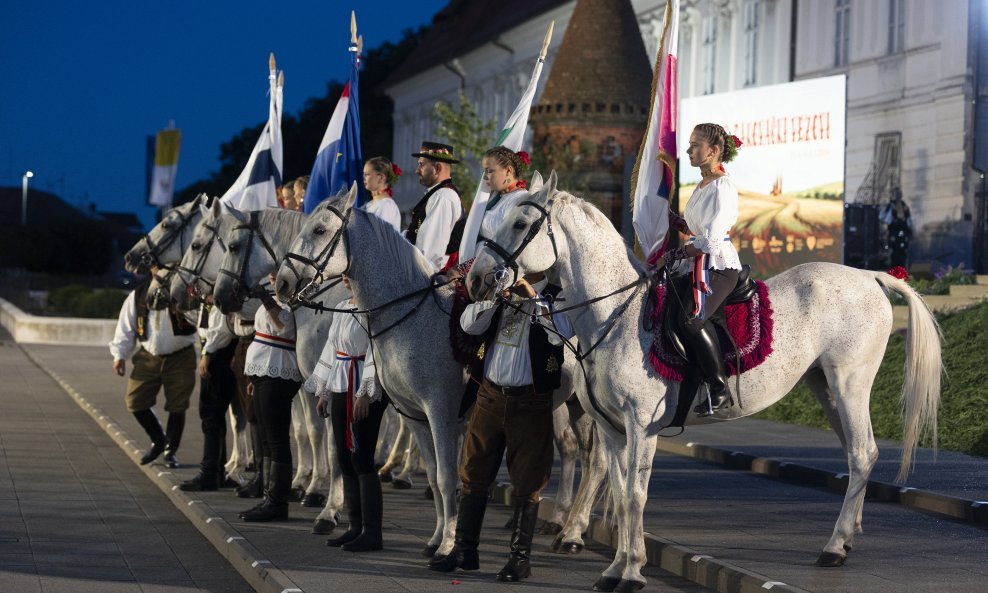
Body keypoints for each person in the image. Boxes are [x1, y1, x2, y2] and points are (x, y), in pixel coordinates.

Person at [430, 272, 572, 582]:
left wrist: (533, 298)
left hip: (530, 403)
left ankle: (519, 559)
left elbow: (561, 335)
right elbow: (469, 325)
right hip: (489, 397)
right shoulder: (500, 291)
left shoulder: (556, 294)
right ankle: (465, 550)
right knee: (473, 474)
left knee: (528, 481)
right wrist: (494, 299)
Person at [660, 123, 744, 416]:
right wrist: (670, 219)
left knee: (691, 320)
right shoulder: (701, 185)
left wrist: (675, 253)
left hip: (718, 266)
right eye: (690, 144)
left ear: (714, 151)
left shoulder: (723, 187)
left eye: (695, 145)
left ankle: (719, 389)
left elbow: (709, 241)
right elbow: (697, 230)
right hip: (697, 263)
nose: (688, 150)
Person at [307, 275, 386, 552]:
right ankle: (354, 526)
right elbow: (331, 347)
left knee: (362, 455)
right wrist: (324, 390)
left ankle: (372, 532)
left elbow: (377, 350)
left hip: (362, 386)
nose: (345, 278)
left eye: (350, 274)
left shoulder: (373, 309)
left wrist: (365, 391)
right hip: (340, 381)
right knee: (344, 455)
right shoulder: (342, 306)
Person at [109, 268, 197, 468]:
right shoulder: (139, 294)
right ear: (151, 269)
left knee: (178, 404)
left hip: (180, 356)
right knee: (135, 400)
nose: (162, 270)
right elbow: (126, 326)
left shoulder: (184, 291)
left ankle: (170, 451)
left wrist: (180, 305)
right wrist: (119, 356)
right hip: (148, 355)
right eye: (158, 266)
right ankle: (158, 439)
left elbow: (199, 319)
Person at [239, 276, 302, 522]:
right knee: (266, 438)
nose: (272, 277)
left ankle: (278, 501)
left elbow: (283, 327)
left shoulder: (293, 299)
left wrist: (265, 298)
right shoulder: (275, 297)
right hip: (263, 371)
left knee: (276, 439)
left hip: (278, 370)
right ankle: (268, 496)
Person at [178, 298, 239, 491]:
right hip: (214, 350)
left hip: (218, 353)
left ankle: (209, 474)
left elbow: (220, 330)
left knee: (210, 413)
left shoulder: (220, 295)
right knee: (214, 415)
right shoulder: (208, 298)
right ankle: (216, 472)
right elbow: (202, 322)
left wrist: (207, 353)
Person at [450, 147, 531, 279]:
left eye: (490, 171)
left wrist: (465, 269)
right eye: (484, 171)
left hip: (491, 274)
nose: (485, 176)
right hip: (475, 266)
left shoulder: (521, 201)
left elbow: (509, 248)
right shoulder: (496, 197)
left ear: (508, 171)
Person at [406, 141, 464, 270]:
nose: (417, 171)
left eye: (421, 165)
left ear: (437, 168)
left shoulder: (443, 197)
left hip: (430, 279)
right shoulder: (438, 194)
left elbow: (429, 252)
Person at [362, 157, 402, 231]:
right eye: (363, 174)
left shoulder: (387, 206)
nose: (363, 177)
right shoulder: (370, 204)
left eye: (367, 174)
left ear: (380, 178)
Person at [883, 187, 913, 268]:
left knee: (903, 255)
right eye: (897, 193)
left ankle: (902, 272)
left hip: (903, 234)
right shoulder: (890, 206)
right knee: (894, 255)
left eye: (900, 193)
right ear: (893, 195)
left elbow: (909, 220)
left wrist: (910, 231)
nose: (899, 195)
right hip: (894, 234)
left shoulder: (904, 205)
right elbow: (885, 219)